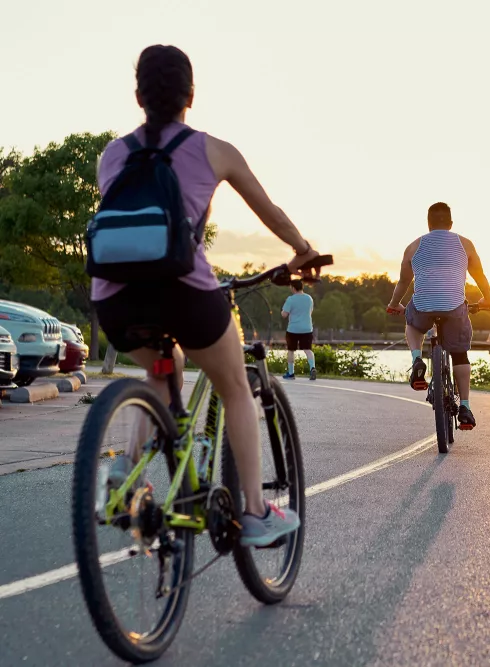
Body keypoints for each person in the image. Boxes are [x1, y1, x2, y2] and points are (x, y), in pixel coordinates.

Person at [93, 45, 320, 546]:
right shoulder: (214, 150)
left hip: (114, 298)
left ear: (138, 96)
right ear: (190, 96)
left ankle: (123, 475)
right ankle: (257, 513)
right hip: (184, 292)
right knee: (235, 385)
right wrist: (301, 250)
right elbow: (271, 212)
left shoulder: (111, 154)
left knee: (161, 366)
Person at [386, 202, 490, 429]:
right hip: (455, 307)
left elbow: (404, 281)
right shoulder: (465, 244)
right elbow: (479, 275)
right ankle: (465, 407)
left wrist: (395, 304)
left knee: (412, 322)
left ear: (428, 224)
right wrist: (489, 298)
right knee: (460, 354)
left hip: (423, 306)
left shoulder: (413, 246)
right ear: (451, 223)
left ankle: (417, 360)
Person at [281, 279, 316, 381]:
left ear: (293, 288)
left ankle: (291, 373)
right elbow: (310, 311)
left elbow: (284, 314)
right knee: (308, 349)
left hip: (293, 329)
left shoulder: (291, 299)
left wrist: (283, 310)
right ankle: (312, 368)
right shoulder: (309, 298)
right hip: (307, 328)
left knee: (291, 350)